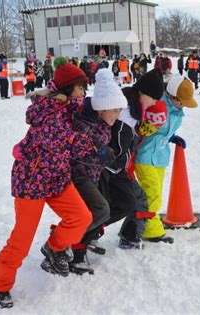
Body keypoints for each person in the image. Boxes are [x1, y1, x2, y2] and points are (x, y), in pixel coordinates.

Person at [0, 61, 96, 308]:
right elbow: (62, 140)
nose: (83, 93)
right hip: (32, 181)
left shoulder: (68, 107)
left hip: (56, 177)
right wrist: (94, 148)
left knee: (81, 217)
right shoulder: (48, 111)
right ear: (68, 89)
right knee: (21, 241)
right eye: (80, 88)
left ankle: (54, 247)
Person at [68, 69, 128, 275]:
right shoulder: (87, 124)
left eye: (120, 110)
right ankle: (64, 242)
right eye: (115, 110)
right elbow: (76, 150)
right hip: (78, 176)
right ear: (102, 108)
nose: (118, 115)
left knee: (106, 209)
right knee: (100, 210)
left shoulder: (102, 123)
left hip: (92, 176)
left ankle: (73, 242)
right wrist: (100, 153)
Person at [99, 68, 166, 248]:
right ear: (143, 92)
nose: (154, 103)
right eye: (153, 98)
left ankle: (124, 236)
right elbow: (119, 145)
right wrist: (118, 169)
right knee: (126, 203)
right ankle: (85, 235)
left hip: (118, 169)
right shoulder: (127, 112)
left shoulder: (135, 110)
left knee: (131, 202)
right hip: (111, 170)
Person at [134, 76, 197, 242]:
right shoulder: (155, 104)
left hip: (161, 157)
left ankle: (138, 225)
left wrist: (172, 137)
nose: (184, 105)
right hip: (144, 155)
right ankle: (150, 231)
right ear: (172, 96)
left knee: (155, 193)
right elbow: (142, 127)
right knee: (152, 194)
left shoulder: (176, 111)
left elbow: (164, 130)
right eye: (182, 101)